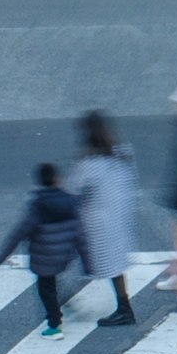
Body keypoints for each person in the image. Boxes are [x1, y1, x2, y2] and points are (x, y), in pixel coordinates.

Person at [0, 161, 89, 335]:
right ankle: (64, 303)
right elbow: (80, 234)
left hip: (43, 257)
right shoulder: (70, 202)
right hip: (63, 255)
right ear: (57, 180)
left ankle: (54, 325)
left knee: (46, 288)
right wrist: (87, 262)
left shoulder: (38, 206)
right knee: (52, 282)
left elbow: (18, 234)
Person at [69, 112, 142, 325]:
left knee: (63, 255)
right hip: (118, 219)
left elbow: (74, 191)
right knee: (113, 268)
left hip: (95, 224)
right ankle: (124, 307)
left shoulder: (89, 163)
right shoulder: (122, 153)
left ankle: (63, 299)